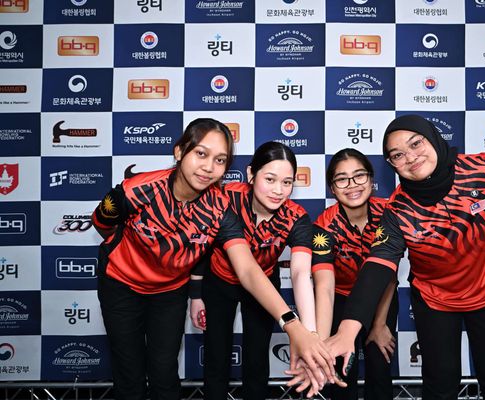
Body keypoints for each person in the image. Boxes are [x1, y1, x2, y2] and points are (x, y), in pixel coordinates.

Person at [92, 118, 334, 400]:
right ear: (179, 151)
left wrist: (295, 326)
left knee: (164, 372)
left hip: (170, 290)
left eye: (220, 160)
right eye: (201, 154)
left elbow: (248, 269)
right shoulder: (136, 190)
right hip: (121, 285)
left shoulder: (220, 208)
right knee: (129, 374)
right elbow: (103, 224)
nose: (208, 167)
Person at [292, 114, 485, 399]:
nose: (411, 157)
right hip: (435, 303)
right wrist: (346, 332)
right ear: (391, 164)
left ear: (433, 139)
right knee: (439, 390)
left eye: (416, 144)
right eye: (397, 155)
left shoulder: (483, 168)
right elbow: (378, 266)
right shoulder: (397, 210)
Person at [191, 141, 317, 400]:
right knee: (216, 356)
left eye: (287, 182)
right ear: (251, 174)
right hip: (219, 281)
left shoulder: (296, 217)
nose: (278, 190)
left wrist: (310, 334)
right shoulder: (225, 198)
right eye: (270, 179)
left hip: (264, 287)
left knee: (257, 358)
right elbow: (200, 245)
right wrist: (195, 294)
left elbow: (300, 273)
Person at [311, 149, 398, 400]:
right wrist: (323, 342)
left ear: (371, 179)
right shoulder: (323, 226)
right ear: (332, 188)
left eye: (359, 176)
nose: (352, 185)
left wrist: (379, 324)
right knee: (341, 374)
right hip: (340, 300)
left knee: (380, 369)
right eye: (342, 179)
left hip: (380, 299)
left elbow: (389, 275)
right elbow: (324, 286)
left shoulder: (389, 214)